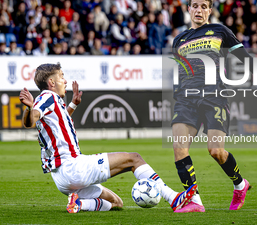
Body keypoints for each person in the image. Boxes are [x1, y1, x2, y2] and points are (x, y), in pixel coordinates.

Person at [19, 63, 197, 213]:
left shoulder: (53, 101)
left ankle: (79, 204)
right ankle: (173, 198)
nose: (65, 80)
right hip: (73, 167)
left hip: (62, 179)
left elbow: (60, 120)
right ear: (51, 82)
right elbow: (31, 120)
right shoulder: (47, 97)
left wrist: (73, 104)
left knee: (116, 203)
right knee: (134, 158)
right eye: (61, 76)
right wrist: (29, 108)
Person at [171, 0, 257, 213]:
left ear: (210, 11)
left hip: (214, 96)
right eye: (195, 5)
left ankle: (240, 184)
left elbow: (242, 55)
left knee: (215, 150)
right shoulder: (179, 39)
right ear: (188, 8)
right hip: (186, 99)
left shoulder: (219, 31)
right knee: (179, 146)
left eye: (204, 7)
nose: (199, 10)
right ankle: (194, 200)